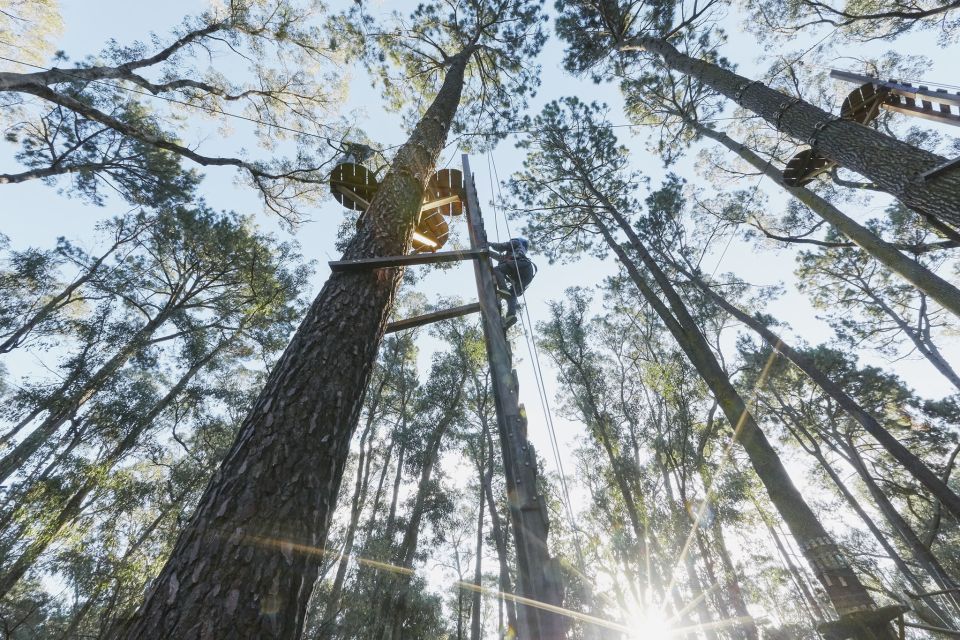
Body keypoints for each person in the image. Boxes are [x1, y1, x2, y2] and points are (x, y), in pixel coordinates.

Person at [489, 237, 536, 329]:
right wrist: (489, 252)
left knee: (497, 270)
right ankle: (511, 315)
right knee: (512, 293)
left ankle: (503, 289)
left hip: (521, 265)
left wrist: (489, 243)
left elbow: (502, 246)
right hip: (526, 273)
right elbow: (500, 258)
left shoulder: (516, 242)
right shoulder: (516, 253)